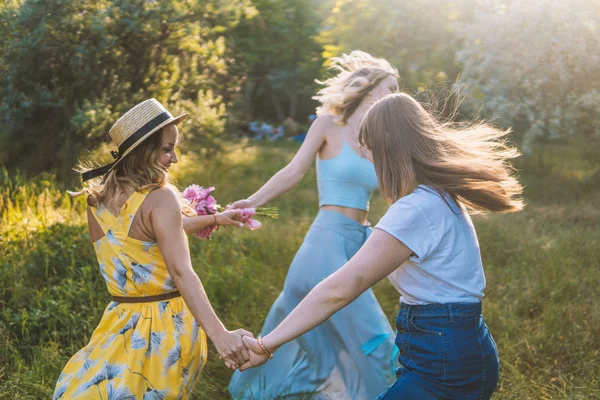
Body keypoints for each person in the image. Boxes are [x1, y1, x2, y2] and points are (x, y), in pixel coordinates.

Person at [239, 92, 524, 400]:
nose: (368, 159)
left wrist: (267, 345)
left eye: (369, 149)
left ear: (387, 148)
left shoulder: (415, 209)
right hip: (454, 347)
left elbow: (339, 289)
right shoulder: (437, 196)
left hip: (446, 357)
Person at [228, 51, 400, 399]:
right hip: (325, 241)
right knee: (374, 339)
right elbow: (293, 171)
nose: (397, 95)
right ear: (368, 89)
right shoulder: (327, 125)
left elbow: (398, 194)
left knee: (335, 337)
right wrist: (253, 202)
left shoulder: (379, 141)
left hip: (360, 242)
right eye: (391, 87)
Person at [53, 99, 252, 399]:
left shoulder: (97, 200)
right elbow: (181, 271)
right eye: (166, 149)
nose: (174, 159)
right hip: (167, 324)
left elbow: (149, 235)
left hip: (121, 320)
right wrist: (219, 334)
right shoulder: (162, 198)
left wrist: (214, 218)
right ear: (143, 151)